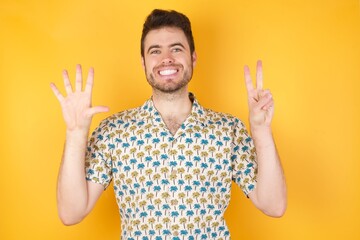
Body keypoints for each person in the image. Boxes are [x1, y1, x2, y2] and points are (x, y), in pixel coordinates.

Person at [50, 9, 286, 240]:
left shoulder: (228, 129)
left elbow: (273, 205)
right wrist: (75, 134)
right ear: (143, 63)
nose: (166, 59)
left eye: (176, 48)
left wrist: (261, 130)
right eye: (155, 51)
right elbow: (71, 213)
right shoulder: (113, 131)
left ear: (193, 57)